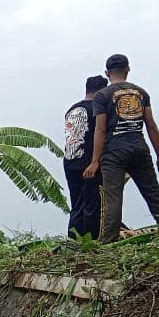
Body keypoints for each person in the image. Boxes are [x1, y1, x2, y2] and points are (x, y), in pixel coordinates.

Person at [83, 54, 159, 243]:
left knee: (113, 197)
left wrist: (94, 161)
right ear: (128, 70)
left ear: (107, 73)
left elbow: (100, 128)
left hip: (113, 152)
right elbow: (151, 125)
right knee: (152, 192)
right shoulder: (141, 93)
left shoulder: (102, 95)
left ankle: (108, 241)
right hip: (139, 147)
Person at [63, 75, 108, 239]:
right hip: (90, 163)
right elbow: (101, 133)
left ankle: (73, 241)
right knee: (92, 205)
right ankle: (91, 242)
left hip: (70, 161)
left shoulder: (71, 109)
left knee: (76, 205)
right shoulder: (98, 109)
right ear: (102, 91)